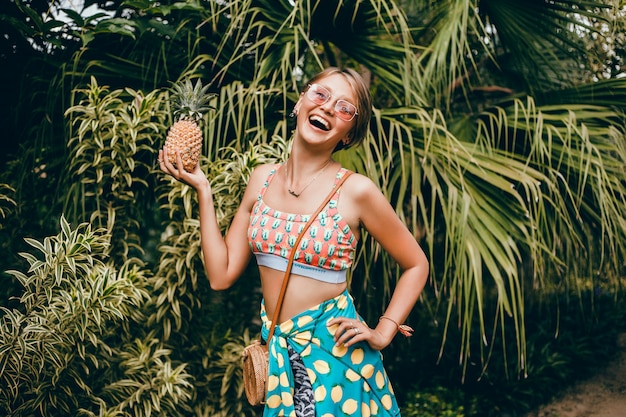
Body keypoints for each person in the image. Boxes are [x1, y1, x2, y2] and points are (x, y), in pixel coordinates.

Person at [158, 67, 430, 416]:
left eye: (345, 108)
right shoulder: (261, 179)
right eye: (320, 95)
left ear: (348, 134)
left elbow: (416, 263)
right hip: (280, 359)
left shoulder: (356, 191)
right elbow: (221, 274)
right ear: (300, 102)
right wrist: (203, 190)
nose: (329, 108)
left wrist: (383, 331)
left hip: (336, 360)